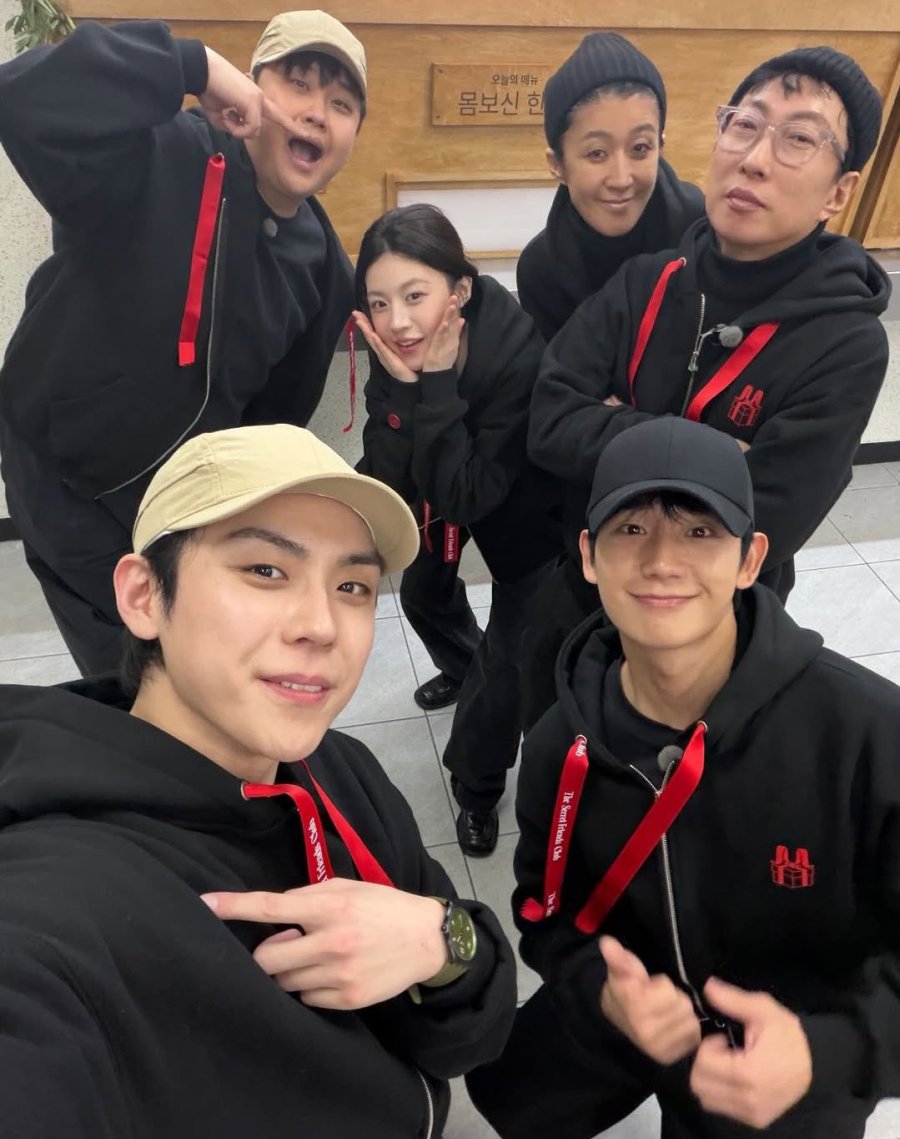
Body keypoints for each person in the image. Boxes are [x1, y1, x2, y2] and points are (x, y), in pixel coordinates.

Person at [0, 423, 517, 1139]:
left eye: (353, 586)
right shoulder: (60, 916)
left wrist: (442, 941)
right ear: (143, 596)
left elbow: (473, 1024)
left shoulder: (337, 771)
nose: (322, 624)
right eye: (265, 570)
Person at [467, 415, 900, 1139]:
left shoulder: (868, 736)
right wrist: (598, 990)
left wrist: (830, 1053)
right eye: (631, 528)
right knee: (511, 1101)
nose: (662, 559)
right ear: (588, 556)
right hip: (638, 1005)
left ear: (751, 560)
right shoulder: (561, 743)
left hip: (791, 1050)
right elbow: (541, 909)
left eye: (700, 530)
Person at [524, 45, 890, 727]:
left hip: (721, 626)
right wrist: (716, 455)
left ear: (838, 193)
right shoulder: (647, 280)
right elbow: (548, 423)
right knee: (552, 738)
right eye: (745, 125)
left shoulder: (847, 344)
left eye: (799, 139)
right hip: (588, 589)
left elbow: (773, 515)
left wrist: (613, 428)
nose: (755, 158)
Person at [0, 10, 366, 678]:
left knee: (189, 673)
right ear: (252, 89)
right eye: (299, 84)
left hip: (180, 508)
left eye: (342, 105)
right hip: (65, 481)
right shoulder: (159, 154)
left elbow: (273, 419)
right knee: (136, 678)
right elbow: (25, 97)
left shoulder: (322, 267)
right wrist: (191, 65)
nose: (318, 112)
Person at [353, 204, 560, 857]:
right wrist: (404, 390)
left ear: (460, 290)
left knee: (506, 666)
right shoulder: (395, 347)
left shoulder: (517, 353)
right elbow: (389, 471)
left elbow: (471, 494)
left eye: (415, 296)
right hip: (441, 474)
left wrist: (434, 384)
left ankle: (477, 789)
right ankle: (461, 665)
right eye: (380, 302)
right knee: (422, 594)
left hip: (526, 513)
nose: (398, 321)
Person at [517, 31, 704, 342]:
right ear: (557, 164)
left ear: (660, 146)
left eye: (640, 148)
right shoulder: (542, 268)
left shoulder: (704, 231)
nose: (621, 179)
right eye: (597, 153)